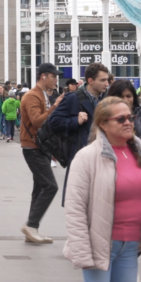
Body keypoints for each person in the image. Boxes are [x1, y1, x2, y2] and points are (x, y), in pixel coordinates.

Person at [64, 97, 141, 282]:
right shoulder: (87, 157)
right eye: (120, 119)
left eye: (130, 118)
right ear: (103, 124)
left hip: (131, 245)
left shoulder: (139, 151)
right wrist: (82, 252)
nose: (128, 123)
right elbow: (75, 208)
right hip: (100, 246)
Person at [48, 62, 109, 202]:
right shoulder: (73, 98)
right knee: (79, 201)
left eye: (107, 80)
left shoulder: (107, 99)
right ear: (90, 81)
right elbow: (53, 121)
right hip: (80, 155)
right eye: (103, 80)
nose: (107, 83)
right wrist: (75, 121)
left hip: (104, 156)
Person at [19, 62, 64, 244]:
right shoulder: (32, 95)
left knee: (39, 188)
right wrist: (55, 107)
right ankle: (31, 225)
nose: (56, 80)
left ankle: (32, 229)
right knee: (50, 186)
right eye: (54, 76)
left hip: (39, 146)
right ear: (44, 76)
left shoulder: (41, 95)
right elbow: (37, 122)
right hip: (32, 147)